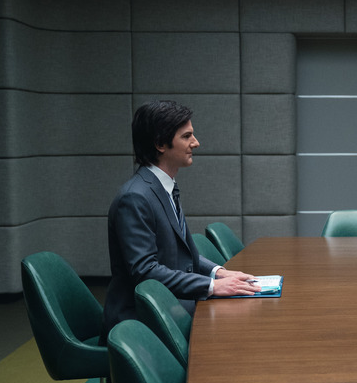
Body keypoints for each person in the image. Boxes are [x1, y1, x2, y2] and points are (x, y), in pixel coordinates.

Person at [102, 100, 261, 337]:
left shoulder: (163, 187)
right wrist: (212, 287)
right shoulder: (134, 197)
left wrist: (219, 272)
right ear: (160, 144)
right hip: (140, 323)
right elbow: (146, 272)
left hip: (170, 308)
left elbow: (181, 254)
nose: (196, 143)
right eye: (187, 137)